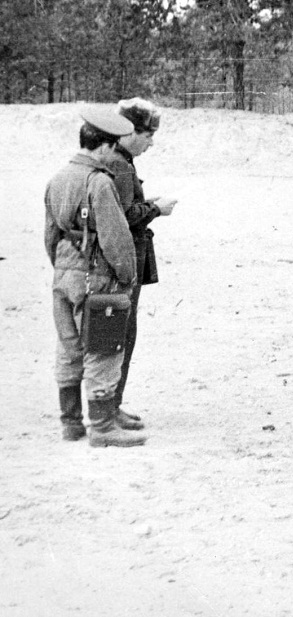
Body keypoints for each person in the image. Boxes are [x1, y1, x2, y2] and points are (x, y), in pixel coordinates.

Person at [45, 107, 145, 447]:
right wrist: (127, 276)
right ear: (103, 146)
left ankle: (71, 423)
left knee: (68, 347)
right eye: (112, 147)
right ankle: (102, 427)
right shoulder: (99, 182)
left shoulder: (58, 177)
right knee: (103, 348)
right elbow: (116, 238)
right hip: (96, 276)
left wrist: (63, 267)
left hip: (63, 274)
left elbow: (50, 235)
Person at [101, 98, 177, 429]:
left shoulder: (118, 161)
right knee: (119, 334)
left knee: (118, 333)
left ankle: (110, 406)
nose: (151, 143)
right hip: (124, 262)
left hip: (122, 260)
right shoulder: (120, 165)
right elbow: (122, 216)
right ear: (131, 132)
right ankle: (108, 408)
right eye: (148, 135)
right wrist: (157, 209)